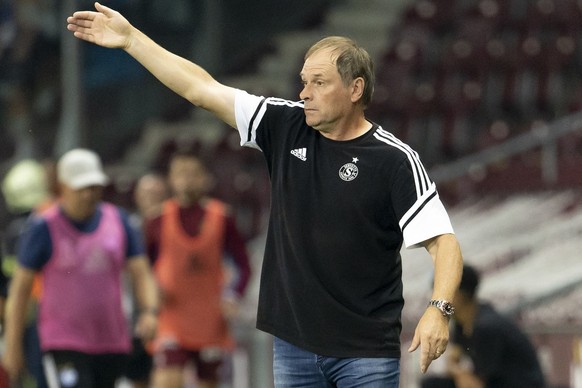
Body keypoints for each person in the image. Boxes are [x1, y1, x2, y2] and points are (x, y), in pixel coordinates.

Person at [67, 4, 464, 386]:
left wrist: (438, 310)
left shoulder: (394, 160)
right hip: (293, 346)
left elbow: (444, 244)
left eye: (319, 82)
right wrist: (132, 39)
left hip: (365, 351)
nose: (304, 92)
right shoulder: (284, 124)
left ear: (355, 88)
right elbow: (201, 89)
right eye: (304, 81)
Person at [1, 148, 160, 388]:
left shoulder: (118, 221)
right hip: (63, 342)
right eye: (81, 188)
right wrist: (13, 346)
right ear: (63, 186)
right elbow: (20, 290)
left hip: (112, 342)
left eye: (94, 187)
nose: (88, 194)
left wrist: (150, 311)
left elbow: (141, 272)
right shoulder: (44, 227)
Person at [145, 151, 251, 388]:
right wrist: (150, 300)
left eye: (193, 174)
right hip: (172, 317)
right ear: (171, 180)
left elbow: (244, 264)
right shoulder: (157, 220)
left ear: (205, 178)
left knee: (208, 382)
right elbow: (143, 268)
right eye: (181, 174)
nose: (187, 180)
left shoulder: (222, 217)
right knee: (166, 380)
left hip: (210, 320)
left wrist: (234, 295)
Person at [421, 265, 546, 388]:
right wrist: (459, 373)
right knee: (432, 384)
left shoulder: (487, 327)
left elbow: (475, 385)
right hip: (493, 382)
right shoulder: (462, 324)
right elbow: (453, 362)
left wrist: (460, 374)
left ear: (458, 294)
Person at [123, 172, 169, 388]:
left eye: (157, 193)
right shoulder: (128, 227)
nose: (151, 197)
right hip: (136, 313)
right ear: (137, 196)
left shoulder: (173, 224)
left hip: (170, 313)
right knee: (139, 376)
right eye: (146, 193)